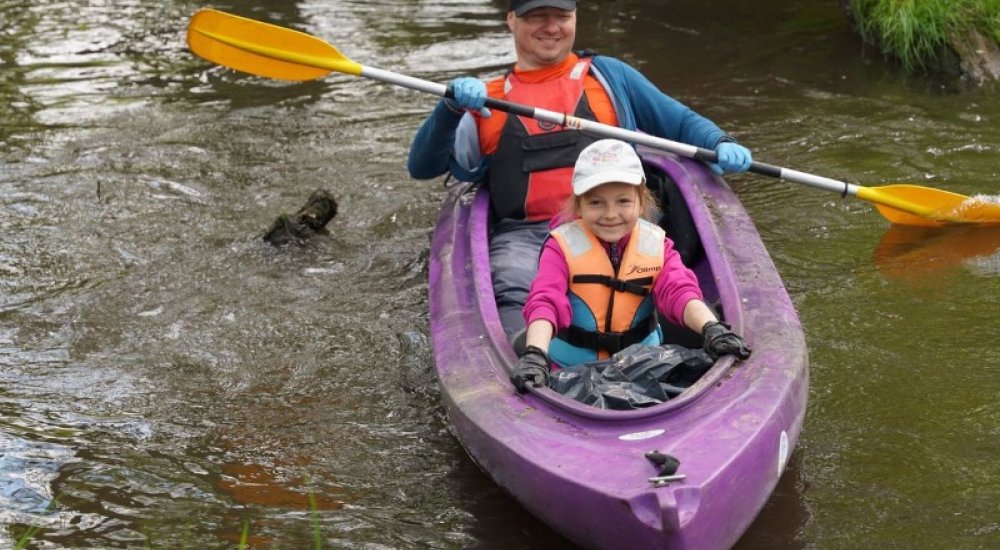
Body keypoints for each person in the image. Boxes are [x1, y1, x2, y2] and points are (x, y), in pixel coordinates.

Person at [407, 0, 753, 338]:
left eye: (561, 15)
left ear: (575, 18)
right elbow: (423, 167)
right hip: (527, 237)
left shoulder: (608, 77)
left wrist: (719, 141)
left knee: (667, 279)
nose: (551, 27)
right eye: (537, 16)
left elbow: (678, 121)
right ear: (511, 19)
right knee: (513, 285)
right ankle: (526, 358)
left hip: (619, 223)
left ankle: (697, 335)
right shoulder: (487, 99)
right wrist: (449, 109)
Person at [509, 139, 751, 392]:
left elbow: (679, 291)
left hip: (643, 367)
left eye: (623, 201)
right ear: (579, 204)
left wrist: (712, 329)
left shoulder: (656, 245)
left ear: (640, 199)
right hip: (569, 369)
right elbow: (546, 300)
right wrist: (536, 355)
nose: (611, 214)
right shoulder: (560, 246)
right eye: (596, 203)